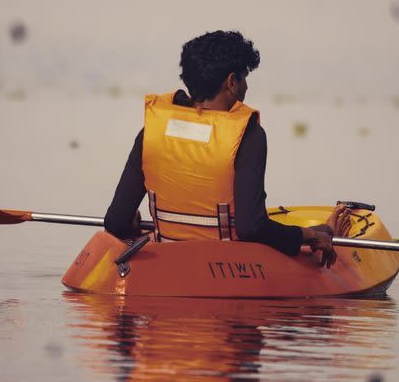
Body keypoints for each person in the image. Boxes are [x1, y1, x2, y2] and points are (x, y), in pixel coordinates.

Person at [104, 30, 352, 267]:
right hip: (226, 269)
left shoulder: (152, 132)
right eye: (244, 77)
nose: (246, 87)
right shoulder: (248, 135)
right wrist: (310, 235)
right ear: (232, 81)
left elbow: (115, 221)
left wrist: (131, 226)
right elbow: (251, 227)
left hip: (165, 263)